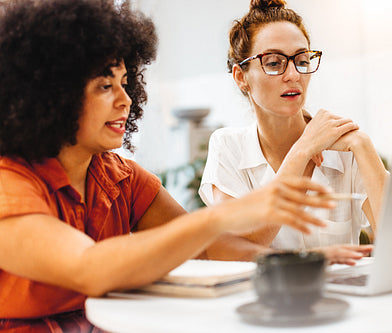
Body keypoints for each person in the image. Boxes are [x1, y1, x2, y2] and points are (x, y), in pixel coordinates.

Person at [0, 0, 363, 331]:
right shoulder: (9, 183)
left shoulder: (120, 176)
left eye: (125, 83)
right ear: (54, 96)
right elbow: (90, 269)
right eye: (104, 86)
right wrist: (220, 216)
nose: (125, 99)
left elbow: (208, 249)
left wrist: (301, 261)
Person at [199, 0, 387, 256]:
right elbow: (235, 249)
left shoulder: (344, 148)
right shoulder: (228, 147)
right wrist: (302, 151)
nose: (293, 75)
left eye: (301, 60)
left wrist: (363, 145)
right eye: (275, 63)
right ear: (241, 77)